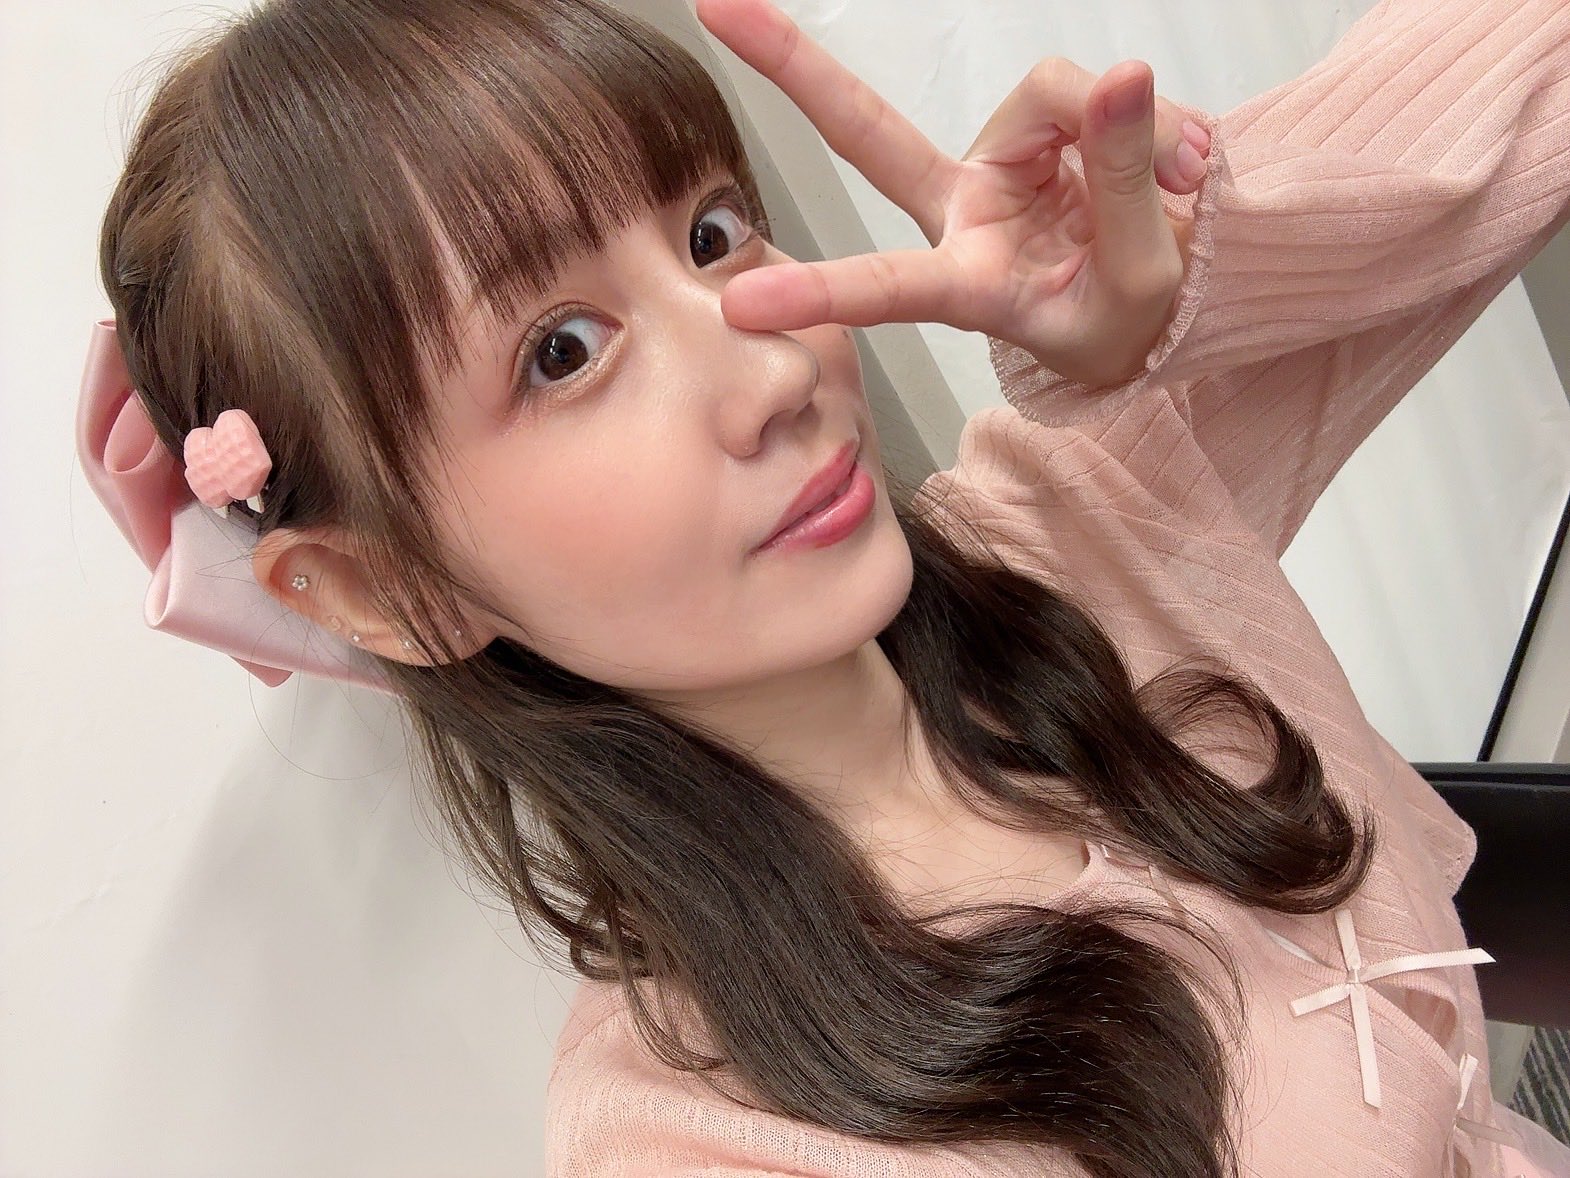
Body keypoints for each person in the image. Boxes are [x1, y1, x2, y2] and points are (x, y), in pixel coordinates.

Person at [74, 0, 1570, 1173]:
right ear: (386, 588)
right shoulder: (704, 1138)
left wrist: (1188, 275)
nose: (771, 363)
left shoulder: (1077, 525)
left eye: (713, 234)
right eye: (562, 352)